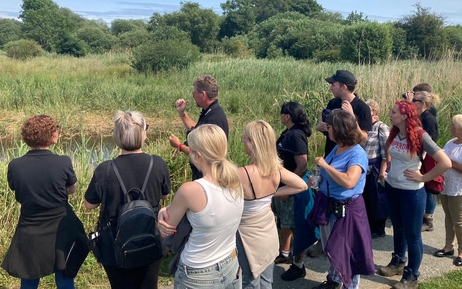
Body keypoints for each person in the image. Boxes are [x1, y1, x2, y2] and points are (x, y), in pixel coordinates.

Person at [84, 110, 171, 289]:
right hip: (149, 238)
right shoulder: (157, 163)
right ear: (143, 134)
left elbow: (89, 204)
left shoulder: (105, 169)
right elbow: (165, 195)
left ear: (117, 136)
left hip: (114, 244)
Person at [2, 115, 88, 289]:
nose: (58, 132)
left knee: (29, 274)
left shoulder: (15, 165)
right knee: (64, 274)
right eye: (56, 129)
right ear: (50, 136)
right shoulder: (63, 162)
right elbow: (72, 189)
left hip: (30, 224)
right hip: (61, 224)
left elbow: (16, 189)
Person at [158, 124, 244, 289]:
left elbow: (167, 227)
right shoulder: (236, 180)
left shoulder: (190, 190)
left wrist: (162, 212)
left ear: (198, 156)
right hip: (231, 261)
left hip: (199, 271)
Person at [378, 101, 451, 289]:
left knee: (413, 235)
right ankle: (397, 262)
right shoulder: (395, 132)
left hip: (412, 192)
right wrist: (388, 165)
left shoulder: (420, 135)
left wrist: (424, 177)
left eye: (393, 112)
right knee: (398, 228)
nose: (390, 114)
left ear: (404, 116)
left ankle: (412, 276)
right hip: (392, 187)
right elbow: (388, 149)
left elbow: (445, 162)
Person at [308, 109, 374, 289]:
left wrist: (325, 167)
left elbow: (349, 181)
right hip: (330, 206)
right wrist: (319, 179)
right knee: (332, 247)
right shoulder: (337, 148)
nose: (327, 130)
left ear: (340, 129)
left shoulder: (356, 153)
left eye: (329, 127)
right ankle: (334, 279)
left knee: (348, 252)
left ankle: (350, 286)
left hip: (347, 210)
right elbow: (332, 176)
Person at [237, 120, 308, 288]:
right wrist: (273, 193)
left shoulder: (243, 174)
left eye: (245, 138)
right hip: (267, 231)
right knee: (267, 281)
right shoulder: (275, 169)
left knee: (249, 281)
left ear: (252, 143)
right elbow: (302, 185)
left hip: (248, 234)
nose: (242, 140)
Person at [272, 102, 317, 281]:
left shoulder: (296, 135)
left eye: (282, 113)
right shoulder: (288, 133)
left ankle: (298, 265)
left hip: (292, 190)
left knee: (297, 225)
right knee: (285, 222)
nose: (280, 116)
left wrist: (287, 190)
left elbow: (303, 166)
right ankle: (285, 253)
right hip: (283, 187)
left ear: (287, 116)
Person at [434, 115, 462, 266]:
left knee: (459, 221)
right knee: (448, 216)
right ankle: (448, 246)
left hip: (461, 188)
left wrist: (451, 164)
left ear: (461, 128)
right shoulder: (450, 142)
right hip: (447, 185)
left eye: (453, 125)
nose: (450, 127)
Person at [168, 75, 229, 180]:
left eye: (194, 93)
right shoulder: (211, 111)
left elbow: (202, 155)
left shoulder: (213, 120)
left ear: (203, 94)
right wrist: (182, 113)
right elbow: (197, 130)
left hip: (208, 177)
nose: (193, 96)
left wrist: (179, 146)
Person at [317, 70, 372, 156]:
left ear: (344, 87)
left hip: (349, 159)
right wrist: (321, 127)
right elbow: (325, 129)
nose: (330, 88)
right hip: (331, 155)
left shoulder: (363, 108)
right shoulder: (332, 103)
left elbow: (363, 141)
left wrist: (352, 117)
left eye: (333, 85)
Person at [412, 90, 441, 232]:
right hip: (421, 156)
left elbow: (431, 140)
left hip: (427, 158)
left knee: (428, 187)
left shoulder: (428, 118)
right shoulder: (420, 116)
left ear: (422, 103)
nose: (412, 103)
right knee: (423, 186)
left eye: (414, 100)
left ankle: (428, 219)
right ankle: (423, 216)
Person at [363, 99, 390, 238]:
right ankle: (368, 225)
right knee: (366, 197)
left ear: (374, 112)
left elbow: (387, 151)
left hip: (376, 165)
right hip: (364, 166)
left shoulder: (381, 127)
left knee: (377, 197)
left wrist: (382, 170)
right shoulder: (364, 126)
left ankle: (379, 229)